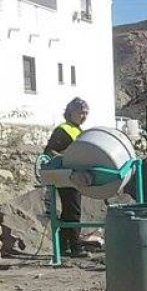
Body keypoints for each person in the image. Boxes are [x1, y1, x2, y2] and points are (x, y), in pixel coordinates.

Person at [44, 98, 89, 258]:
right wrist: (67, 157)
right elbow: (49, 151)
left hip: (75, 174)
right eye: (80, 112)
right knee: (73, 211)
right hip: (66, 175)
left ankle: (62, 246)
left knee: (69, 211)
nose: (83, 116)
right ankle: (76, 247)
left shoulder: (78, 130)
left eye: (86, 113)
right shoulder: (63, 130)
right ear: (71, 112)